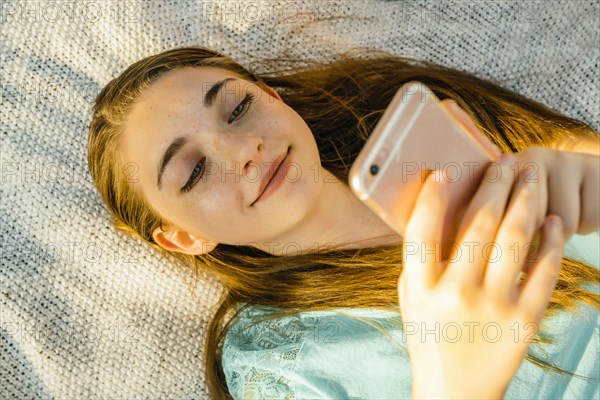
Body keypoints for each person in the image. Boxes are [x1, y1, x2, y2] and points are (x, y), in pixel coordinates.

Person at [87, 46, 599, 399]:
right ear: (185, 238)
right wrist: (456, 383)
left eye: (238, 107)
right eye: (195, 171)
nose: (245, 151)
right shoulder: (271, 368)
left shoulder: (423, 121)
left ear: (273, 97)